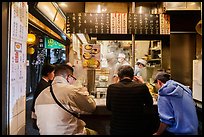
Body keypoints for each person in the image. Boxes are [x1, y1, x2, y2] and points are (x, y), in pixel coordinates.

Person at [34, 64, 97, 135]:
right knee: (94, 133)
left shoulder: (42, 94)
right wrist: (83, 91)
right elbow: (91, 107)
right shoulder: (72, 90)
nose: (74, 81)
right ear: (68, 77)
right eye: (73, 78)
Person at [106, 65, 153, 135]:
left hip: (117, 129)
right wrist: (142, 83)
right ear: (133, 76)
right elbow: (149, 104)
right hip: (137, 128)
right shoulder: (141, 87)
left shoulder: (112, 88)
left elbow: (109, 107)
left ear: (119, 76)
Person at [31, 63, 55, 130]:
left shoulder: (44, 83)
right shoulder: (44, 85)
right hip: (39, 113)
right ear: (48, 73)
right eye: (53, 72)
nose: (54, 75)